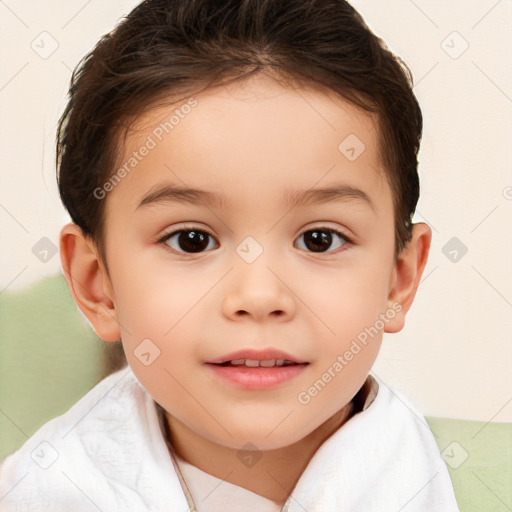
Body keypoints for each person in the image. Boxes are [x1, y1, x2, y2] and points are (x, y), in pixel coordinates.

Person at [0, 0, 460, 510]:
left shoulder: (474, 479)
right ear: (97, 284)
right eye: (191, 239)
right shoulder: (38, 491)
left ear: (399, 280)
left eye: (320, 239)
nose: (259, 296)